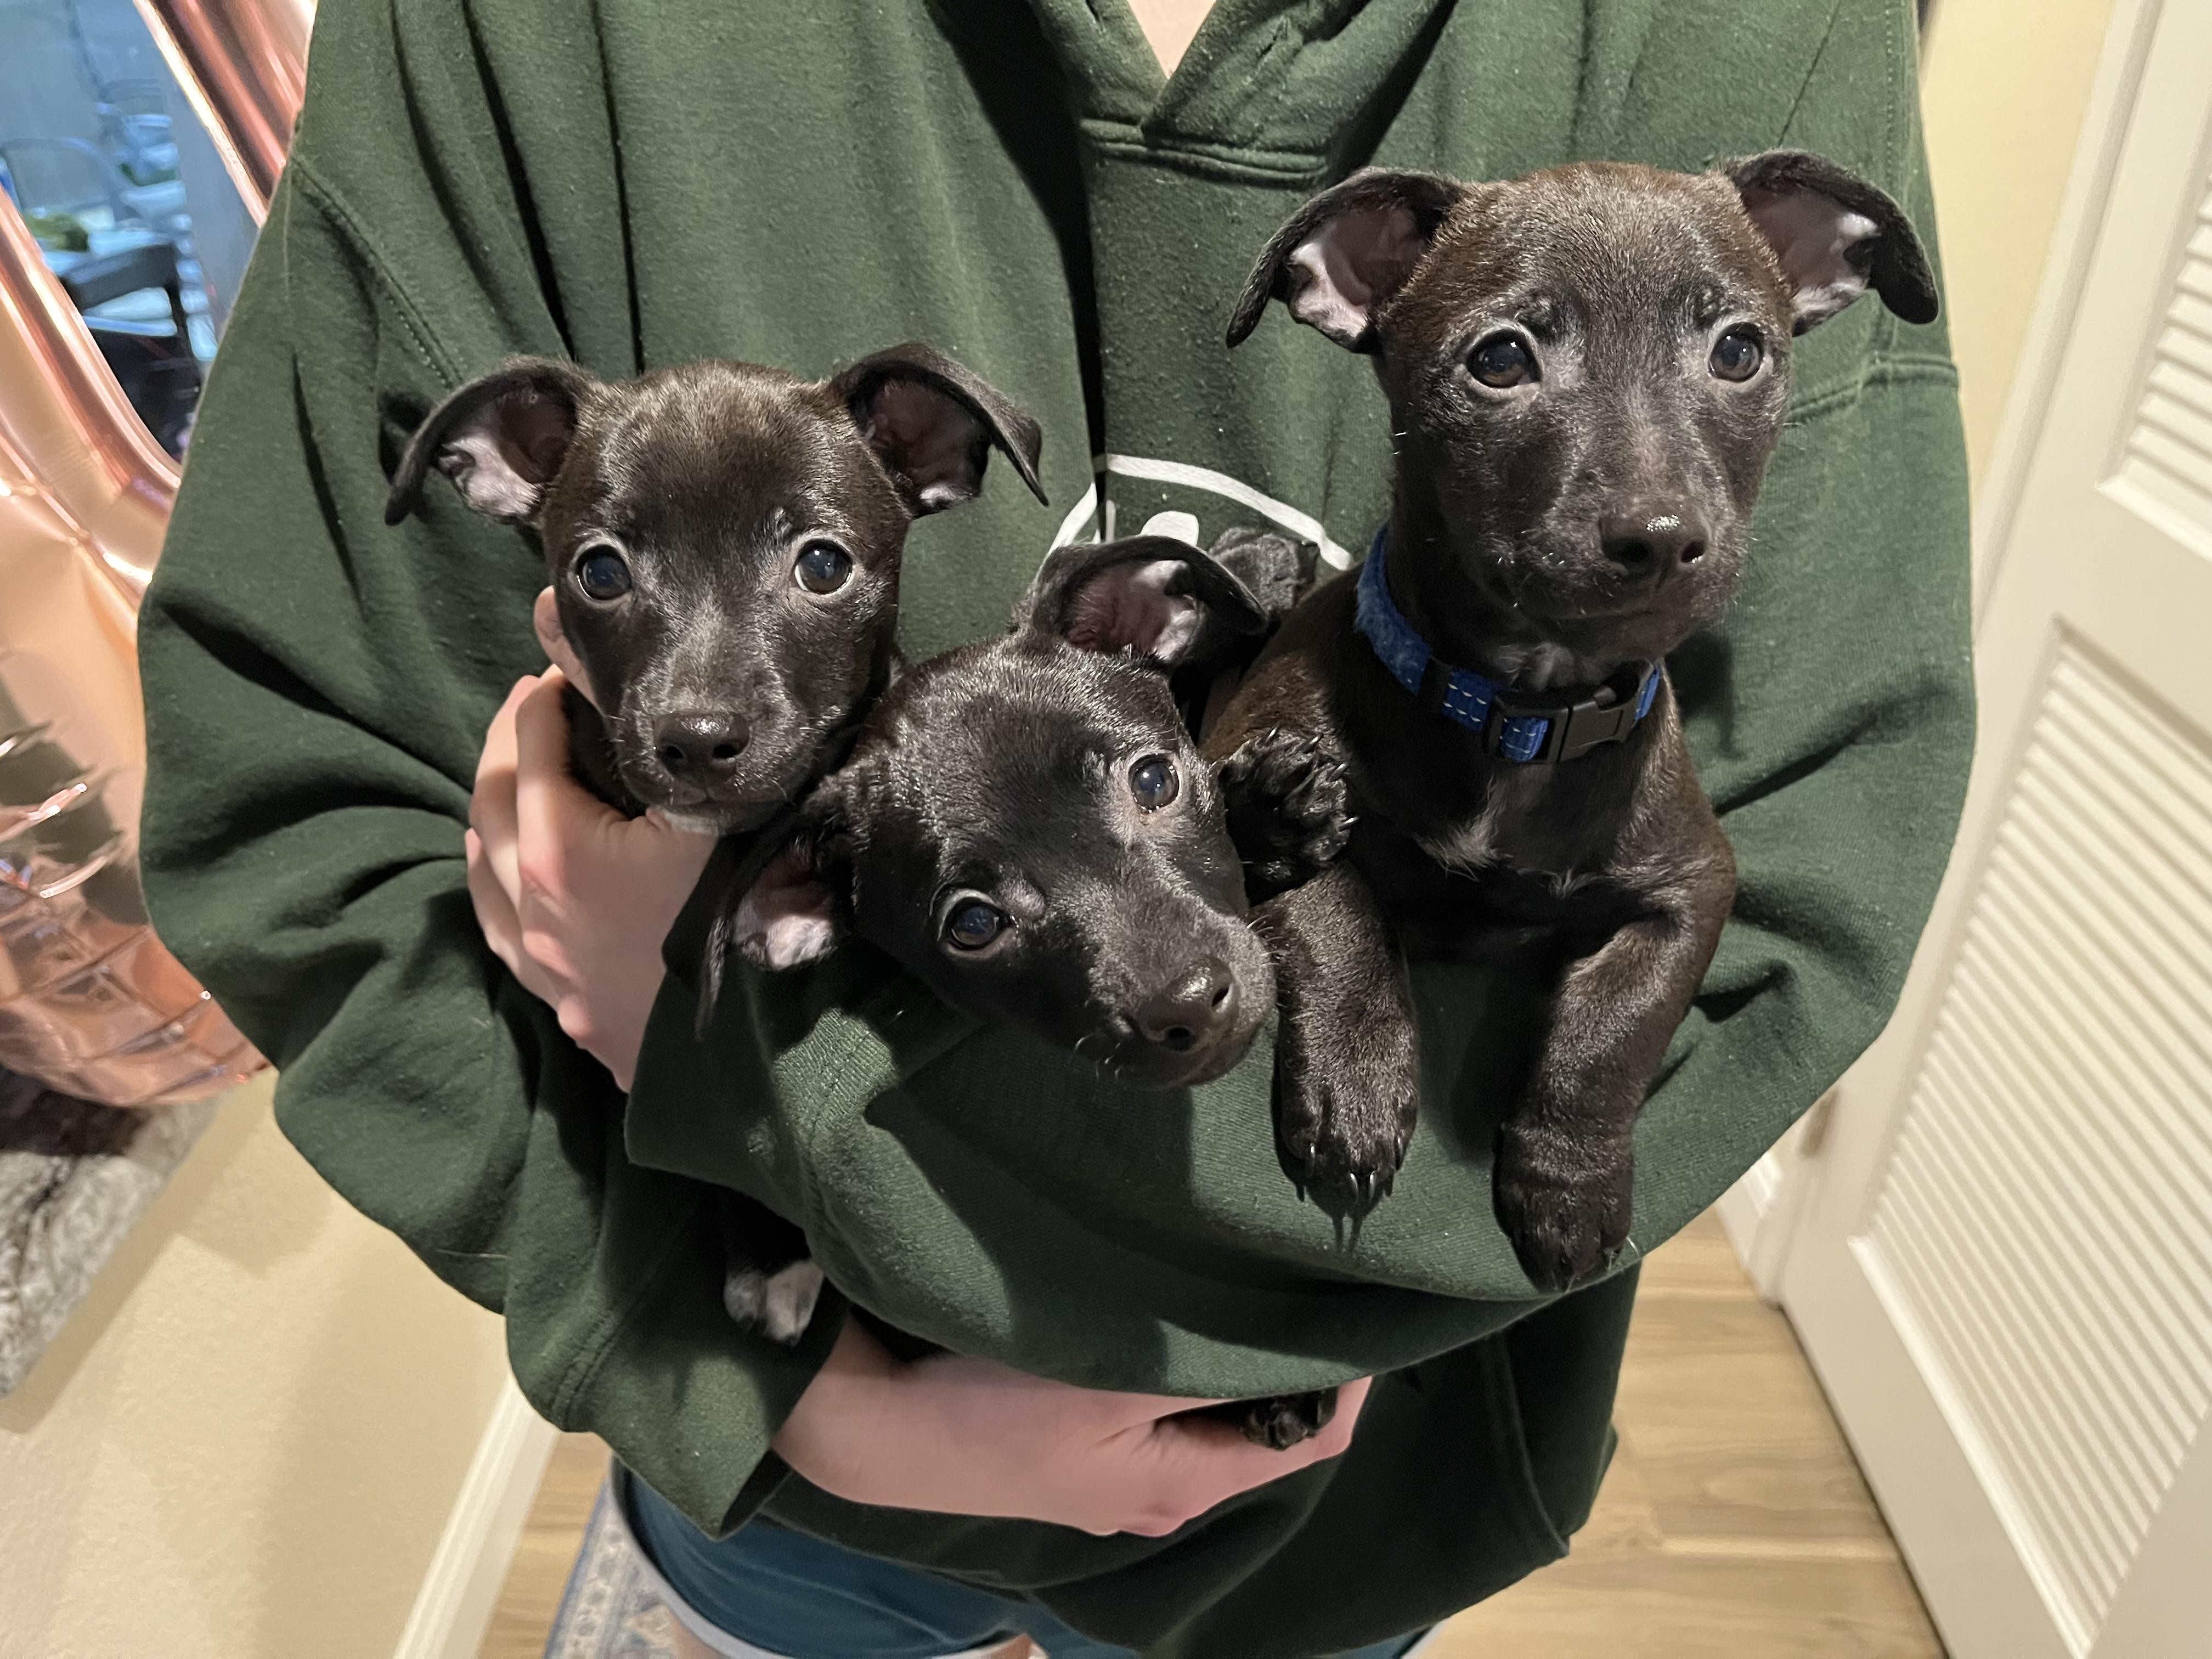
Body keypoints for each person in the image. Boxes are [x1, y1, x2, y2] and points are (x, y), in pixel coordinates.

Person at [137, 2, 1974, 1655]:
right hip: (804, 1476)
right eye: (1515, 361)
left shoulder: (1763, 53)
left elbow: (1802, 893)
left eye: (1731, 354)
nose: (1652, 497)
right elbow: (297, 815)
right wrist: (749, 1364)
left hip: (1343, 1490)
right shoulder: (505, 51)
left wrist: (699, 1050)